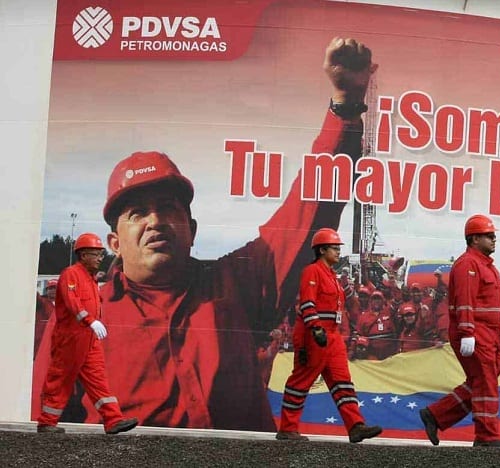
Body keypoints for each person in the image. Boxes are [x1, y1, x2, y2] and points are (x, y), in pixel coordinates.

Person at [32, 37, 378, 431]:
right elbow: (46, 423)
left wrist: (345, 106)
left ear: (192, 230)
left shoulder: (237, 283)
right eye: (137, 213)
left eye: (168, 208)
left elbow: (307, 212)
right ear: (114, 243)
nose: (156, 221)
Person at [276, 228, 382, 443]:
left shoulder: (333, 276)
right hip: (314, 335)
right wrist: (315, 328)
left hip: (332, 336)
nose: (338, 252)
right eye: (334, 248)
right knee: (301, 381)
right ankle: (287, 428)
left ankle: (356, 426)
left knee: (343, 382)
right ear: (322, 250)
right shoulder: (312, 271)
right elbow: (307, 302)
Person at [419, 214, 500, 447]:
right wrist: (468, 332)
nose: (494, 239)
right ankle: (486, 437)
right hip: (475, 333)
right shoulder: (466, 265)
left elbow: (495, 305)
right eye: (489, 236)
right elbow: (465, 302)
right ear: (474, 238)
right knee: (486, 382)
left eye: (493, 235)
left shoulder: (488, 267)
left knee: (479, 382)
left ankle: (436, 415)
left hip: (490, 335)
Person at [36, 233, 138, 435]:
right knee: (61, 379)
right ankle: (47, 422)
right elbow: (73, 301)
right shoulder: (71, 275)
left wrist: (92, 324)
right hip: (70, 339)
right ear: (83, 255)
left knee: (98, 379)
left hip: (88, 339)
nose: (101, 258)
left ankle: (113, 420)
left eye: (101, 254)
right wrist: (90, 321)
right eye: (96, 254)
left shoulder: (90, 279)